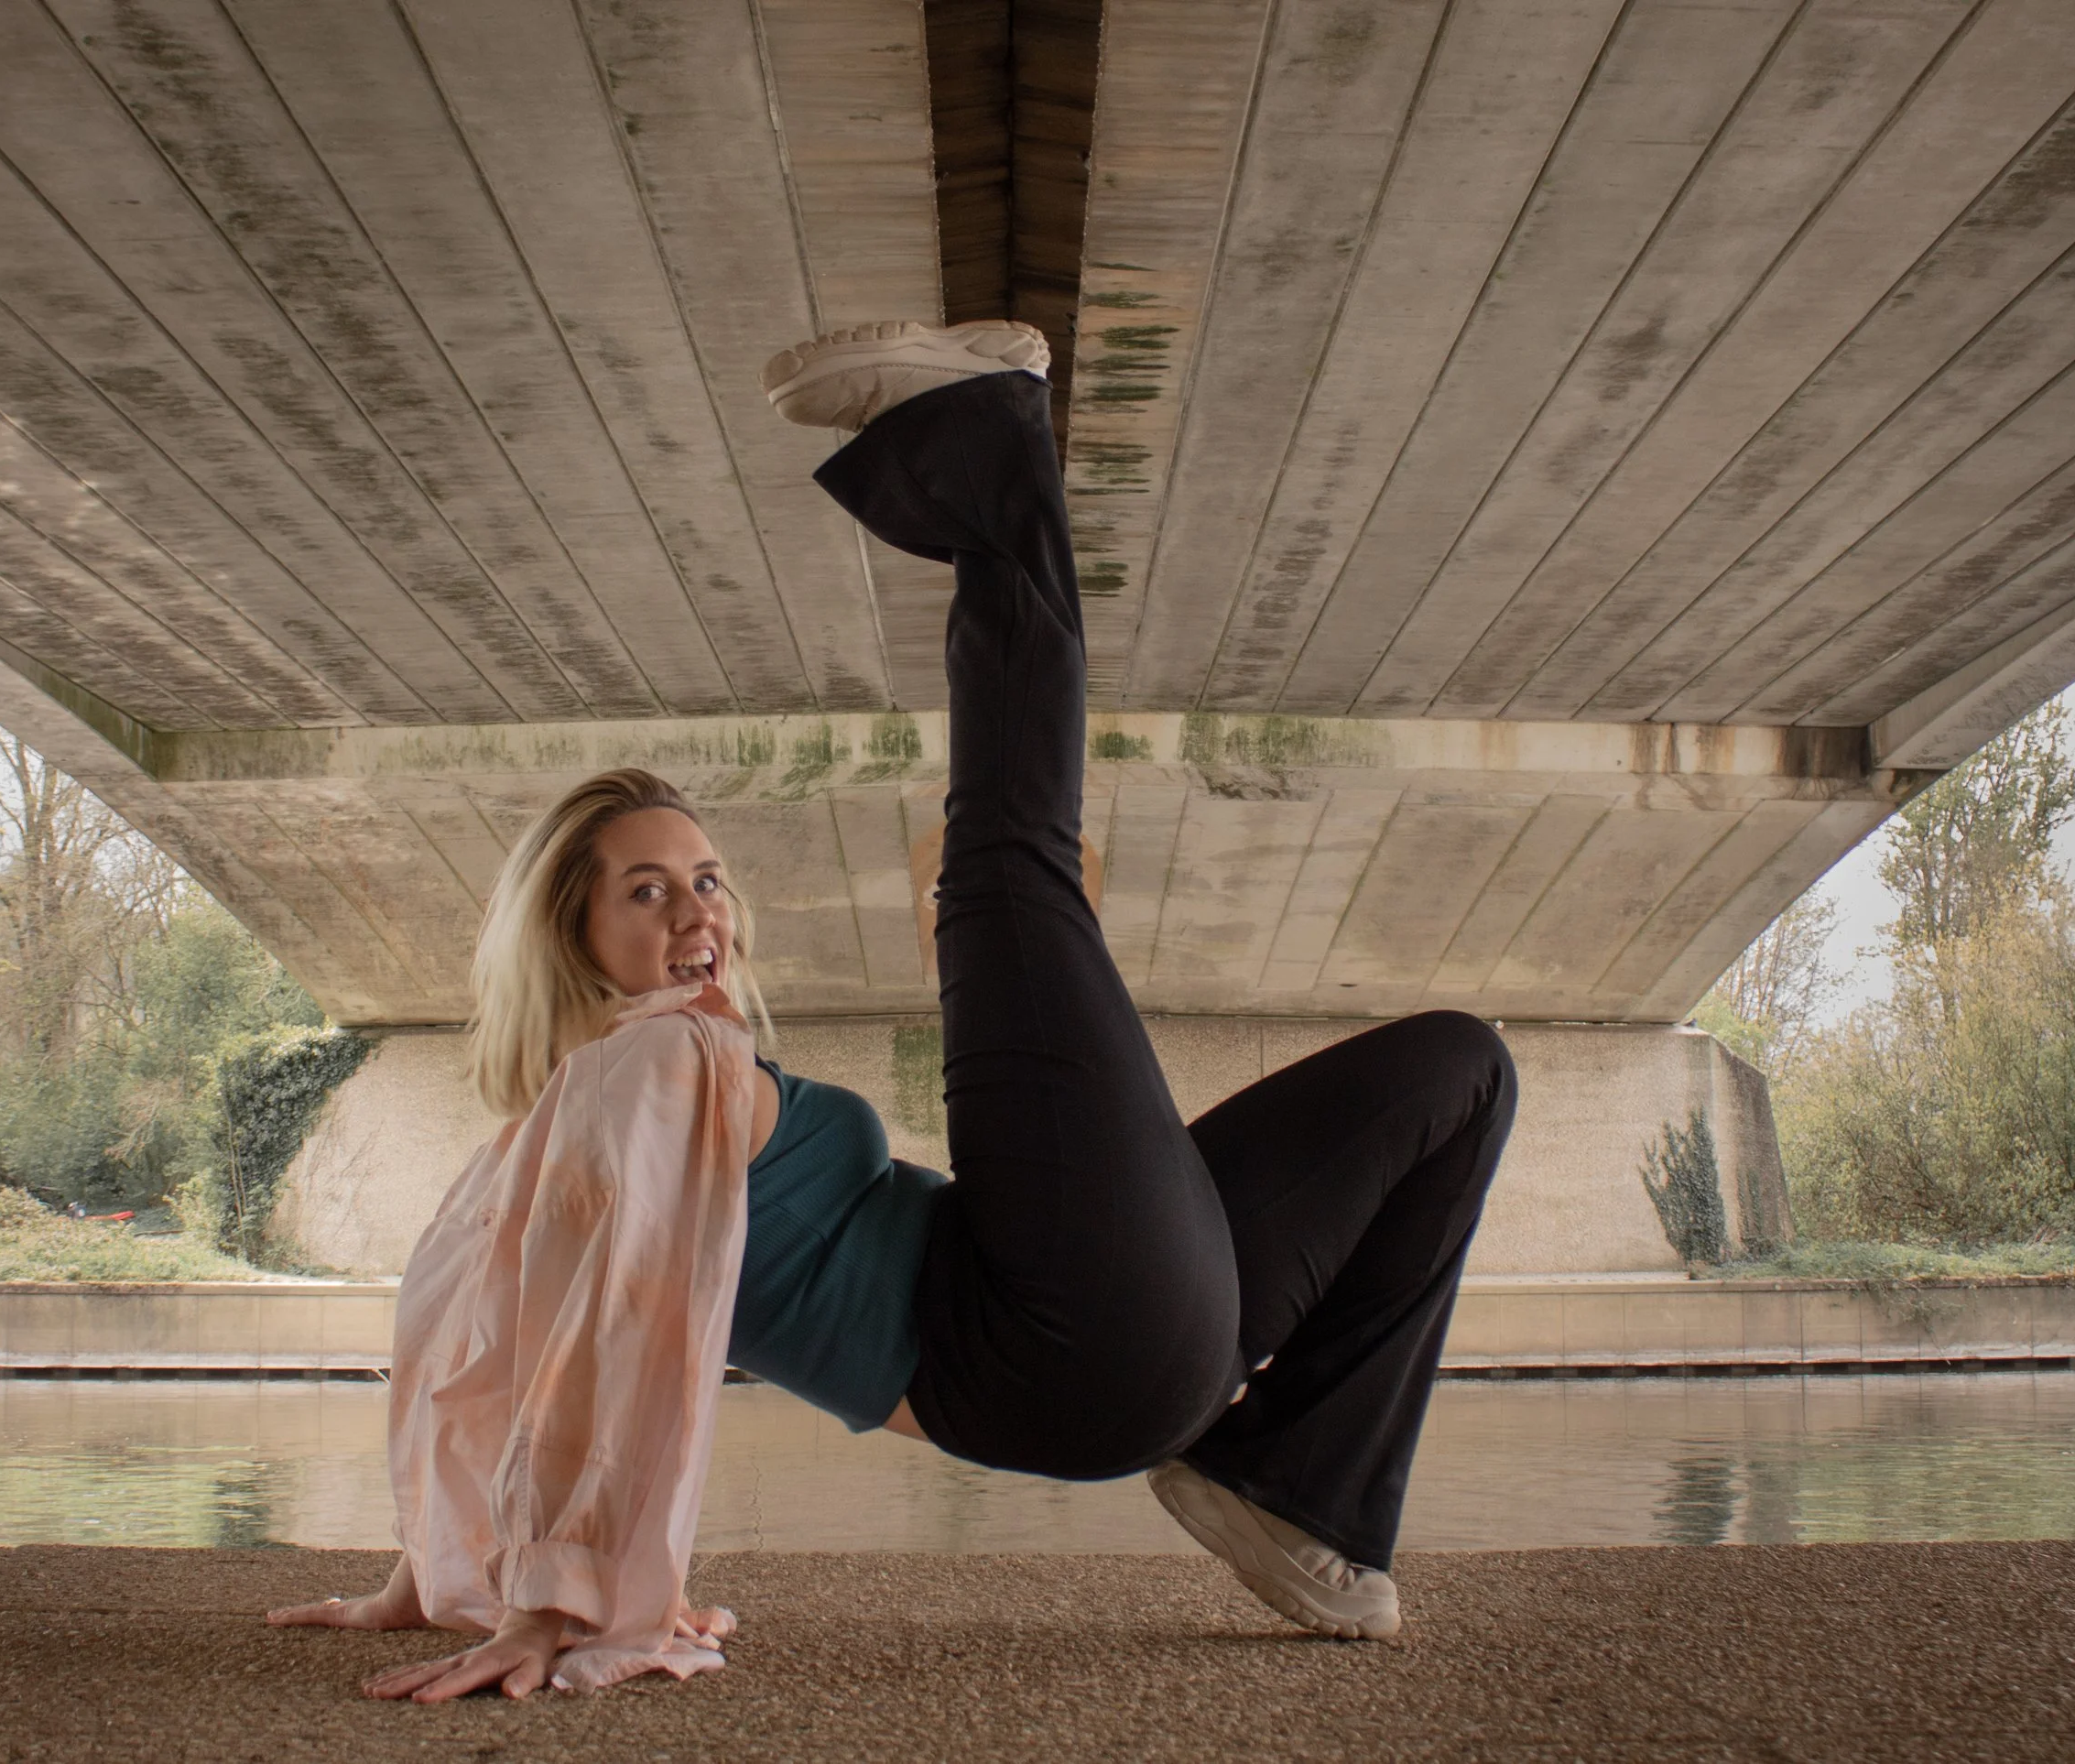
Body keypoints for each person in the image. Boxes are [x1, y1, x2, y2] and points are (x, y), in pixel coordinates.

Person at [268, 320, 1516, 1698]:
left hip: (1107, 1350)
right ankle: (991, 451)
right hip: (1042, 1340)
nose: (699, 914)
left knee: (1459, 1072)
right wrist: (556, 1597)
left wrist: (427, 1576)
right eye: (644, 890)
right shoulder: (656, 1073)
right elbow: (597, 1353)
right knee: (1000, 866)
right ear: (568, 933)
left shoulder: (565, 1128)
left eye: (707, 878)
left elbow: (473, 1355)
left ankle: (1302, 1494)